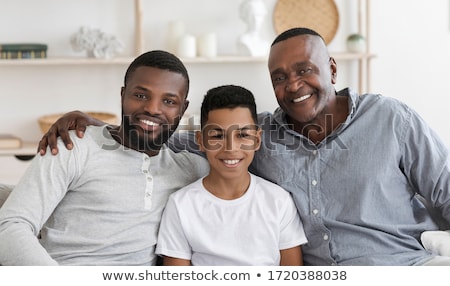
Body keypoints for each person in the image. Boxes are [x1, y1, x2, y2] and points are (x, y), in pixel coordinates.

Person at [34, 27, 450, 266]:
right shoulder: (260, 133)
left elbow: (445, 192)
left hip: (399, 269)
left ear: (333, 69)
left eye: (305, 70)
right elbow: (172, 134)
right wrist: (100, 125)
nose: (292, 85)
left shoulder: (391, 119)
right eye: (279, 77)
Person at [0, 50, 209, 265]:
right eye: (140, 95)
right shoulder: (75, 146)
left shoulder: (191, 170)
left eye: (169, 101)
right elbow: (10, 226)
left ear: (183, 109)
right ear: (123, 95)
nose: (152, 109)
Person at [155, 85, 307, 266]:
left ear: (257, 140)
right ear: (201, 141)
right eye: (217, 136)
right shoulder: (181, 206)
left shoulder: (278, 201)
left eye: (242, 135)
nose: (231, 148)